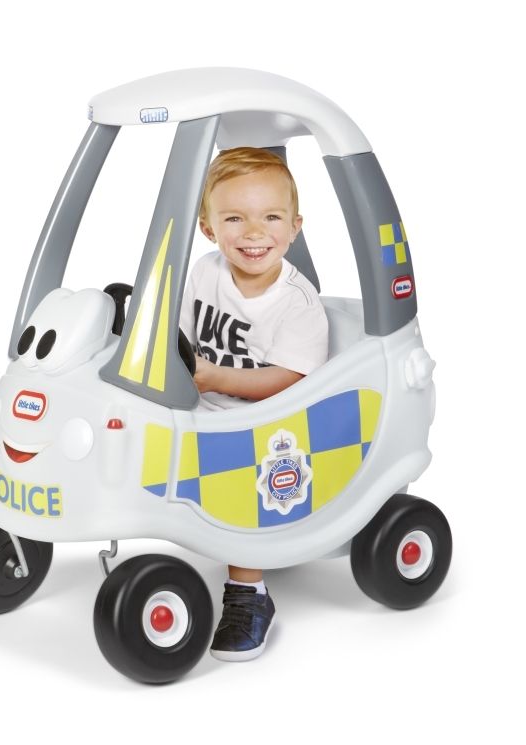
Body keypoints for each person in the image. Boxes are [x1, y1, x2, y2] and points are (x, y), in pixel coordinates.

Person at [180, 147, 329, 661]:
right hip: (201, 404)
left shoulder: (298, 303)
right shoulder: (205, 272)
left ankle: (249, 591)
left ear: (295, 227)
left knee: (239, 479)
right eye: (234, 219)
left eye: (271, 217)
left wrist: (213, 377)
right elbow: (180, 336)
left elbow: (289, 380)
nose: (253, 233)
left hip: (270, 423)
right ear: (208, 228)